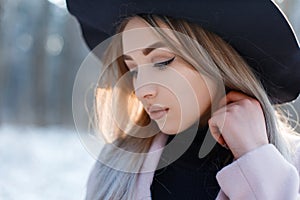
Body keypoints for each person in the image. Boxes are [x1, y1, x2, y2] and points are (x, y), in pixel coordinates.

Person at [67, 0, 300, 199]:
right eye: (133, 70)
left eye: (162, 62)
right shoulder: (114, 168)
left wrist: (256, 157)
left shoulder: (292, 165)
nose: (141, 90)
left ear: (217, 61)